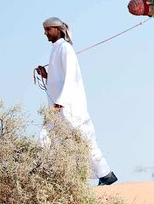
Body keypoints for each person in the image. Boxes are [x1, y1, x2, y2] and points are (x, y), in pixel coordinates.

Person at [39, 17, 118, 186]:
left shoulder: (65, 48)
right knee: (52, 140)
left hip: (69, 107)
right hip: (57, 107)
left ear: (58, 30)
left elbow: (71, 77)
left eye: (48, 29)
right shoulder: (55, 49)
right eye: (45, 30)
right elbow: (57, 79)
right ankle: (58, 179)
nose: (45, 33)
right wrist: (45, 75)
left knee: (84, 139)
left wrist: (62, 101)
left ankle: (106, 175)